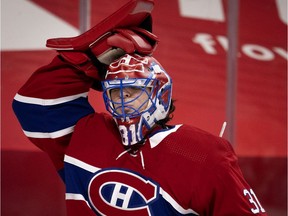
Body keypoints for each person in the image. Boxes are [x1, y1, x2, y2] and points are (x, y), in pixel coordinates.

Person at [12, 2, 267, 216]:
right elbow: (33, 104)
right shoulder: (89, 136)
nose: (123, 100)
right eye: (116, 92)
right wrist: (90, 58)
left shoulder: (199, 153)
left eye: (133, 92)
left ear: (161, 94)